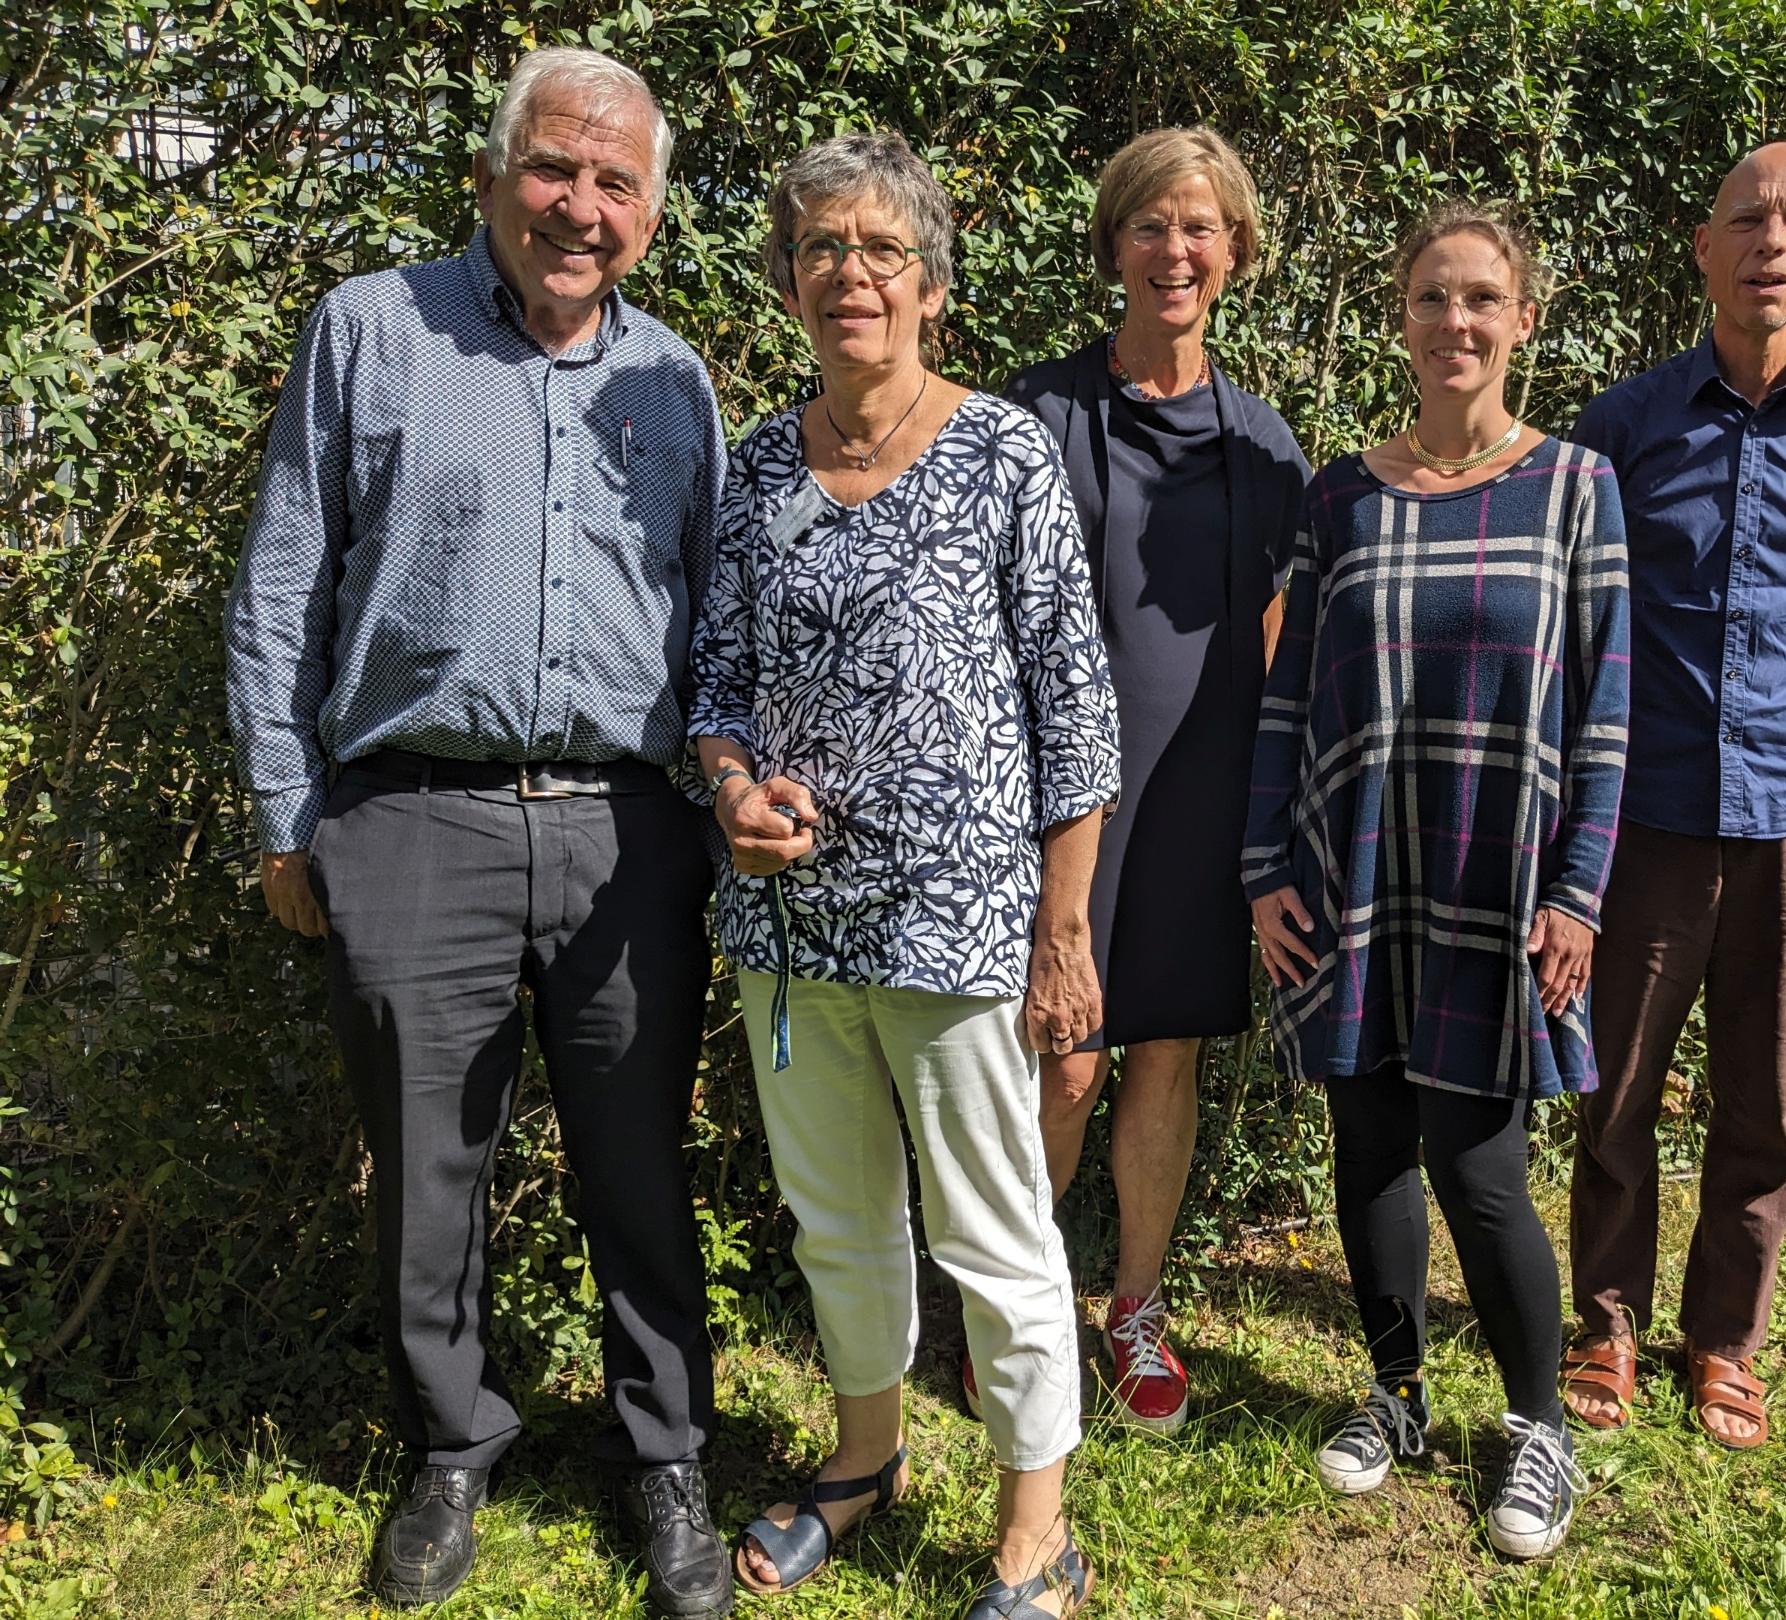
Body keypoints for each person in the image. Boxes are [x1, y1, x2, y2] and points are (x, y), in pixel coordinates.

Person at [224, 47, 732, 1616]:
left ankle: (669, 1457)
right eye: (555, 170)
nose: (581, 208)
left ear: (651, 210)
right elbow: (278, 585)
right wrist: (284, 815)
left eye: (616, 184)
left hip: (625, 832)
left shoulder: (679, 382)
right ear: (494, 173)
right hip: (409, 823)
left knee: (640, 1163)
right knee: (426, 1170)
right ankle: (450, 1446)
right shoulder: (370, 333)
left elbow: (714, 620)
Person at [687, 132, 1118, 1619]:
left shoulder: (1004, 449)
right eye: (822, 249)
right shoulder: (757, 463)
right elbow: (719, 684)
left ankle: (1035, 1525)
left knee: (995, 1229)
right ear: (789, 281)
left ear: (931, 284)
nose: (850, 273)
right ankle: (865, 1461)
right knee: (836, 1218)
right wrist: (736, 788)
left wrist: (1062, 927)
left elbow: (1076, 699)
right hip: (791, 928)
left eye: (881, 250)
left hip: (956, 925)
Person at [1243, 200, 1628, 1559]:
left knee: (1482, 1167)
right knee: (1366, 1149)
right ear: (1402, 318)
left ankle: (1538, 1428)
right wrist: (1258, 870)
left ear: (1522, 320)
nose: (1455, 322)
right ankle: (1396, 1393)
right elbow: (1285, 696)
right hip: (1350, 878)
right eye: (1430, 298)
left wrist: (1578, 890)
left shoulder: (1578, 488)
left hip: (1496, 878)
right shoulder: (1340, 492)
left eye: (1482, 300)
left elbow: (1607, 715)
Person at [1561, 143, 1786, 1450]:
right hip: (1648, 812)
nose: (1773, 242)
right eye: (1748, 220)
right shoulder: (1625, 425)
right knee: (1617, 1089)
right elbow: (1586, 613)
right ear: (1703, 250)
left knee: (1763, 1099)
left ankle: (1723, 1341)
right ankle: (1605, 1321)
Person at [1004, 126, 1309, 1433]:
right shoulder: (1033, 414)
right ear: (1112, 245)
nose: (1174, 250)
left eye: (1200, 227)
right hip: (1051, 805)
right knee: (1060, 1063)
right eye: (1149, 224)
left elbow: (1280, 653)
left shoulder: (1268, 444)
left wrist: (1271, 839)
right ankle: (1016, 1310)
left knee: (1164, 1057)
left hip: (1198, 798)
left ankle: (1134, 1310)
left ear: (1234, 252)